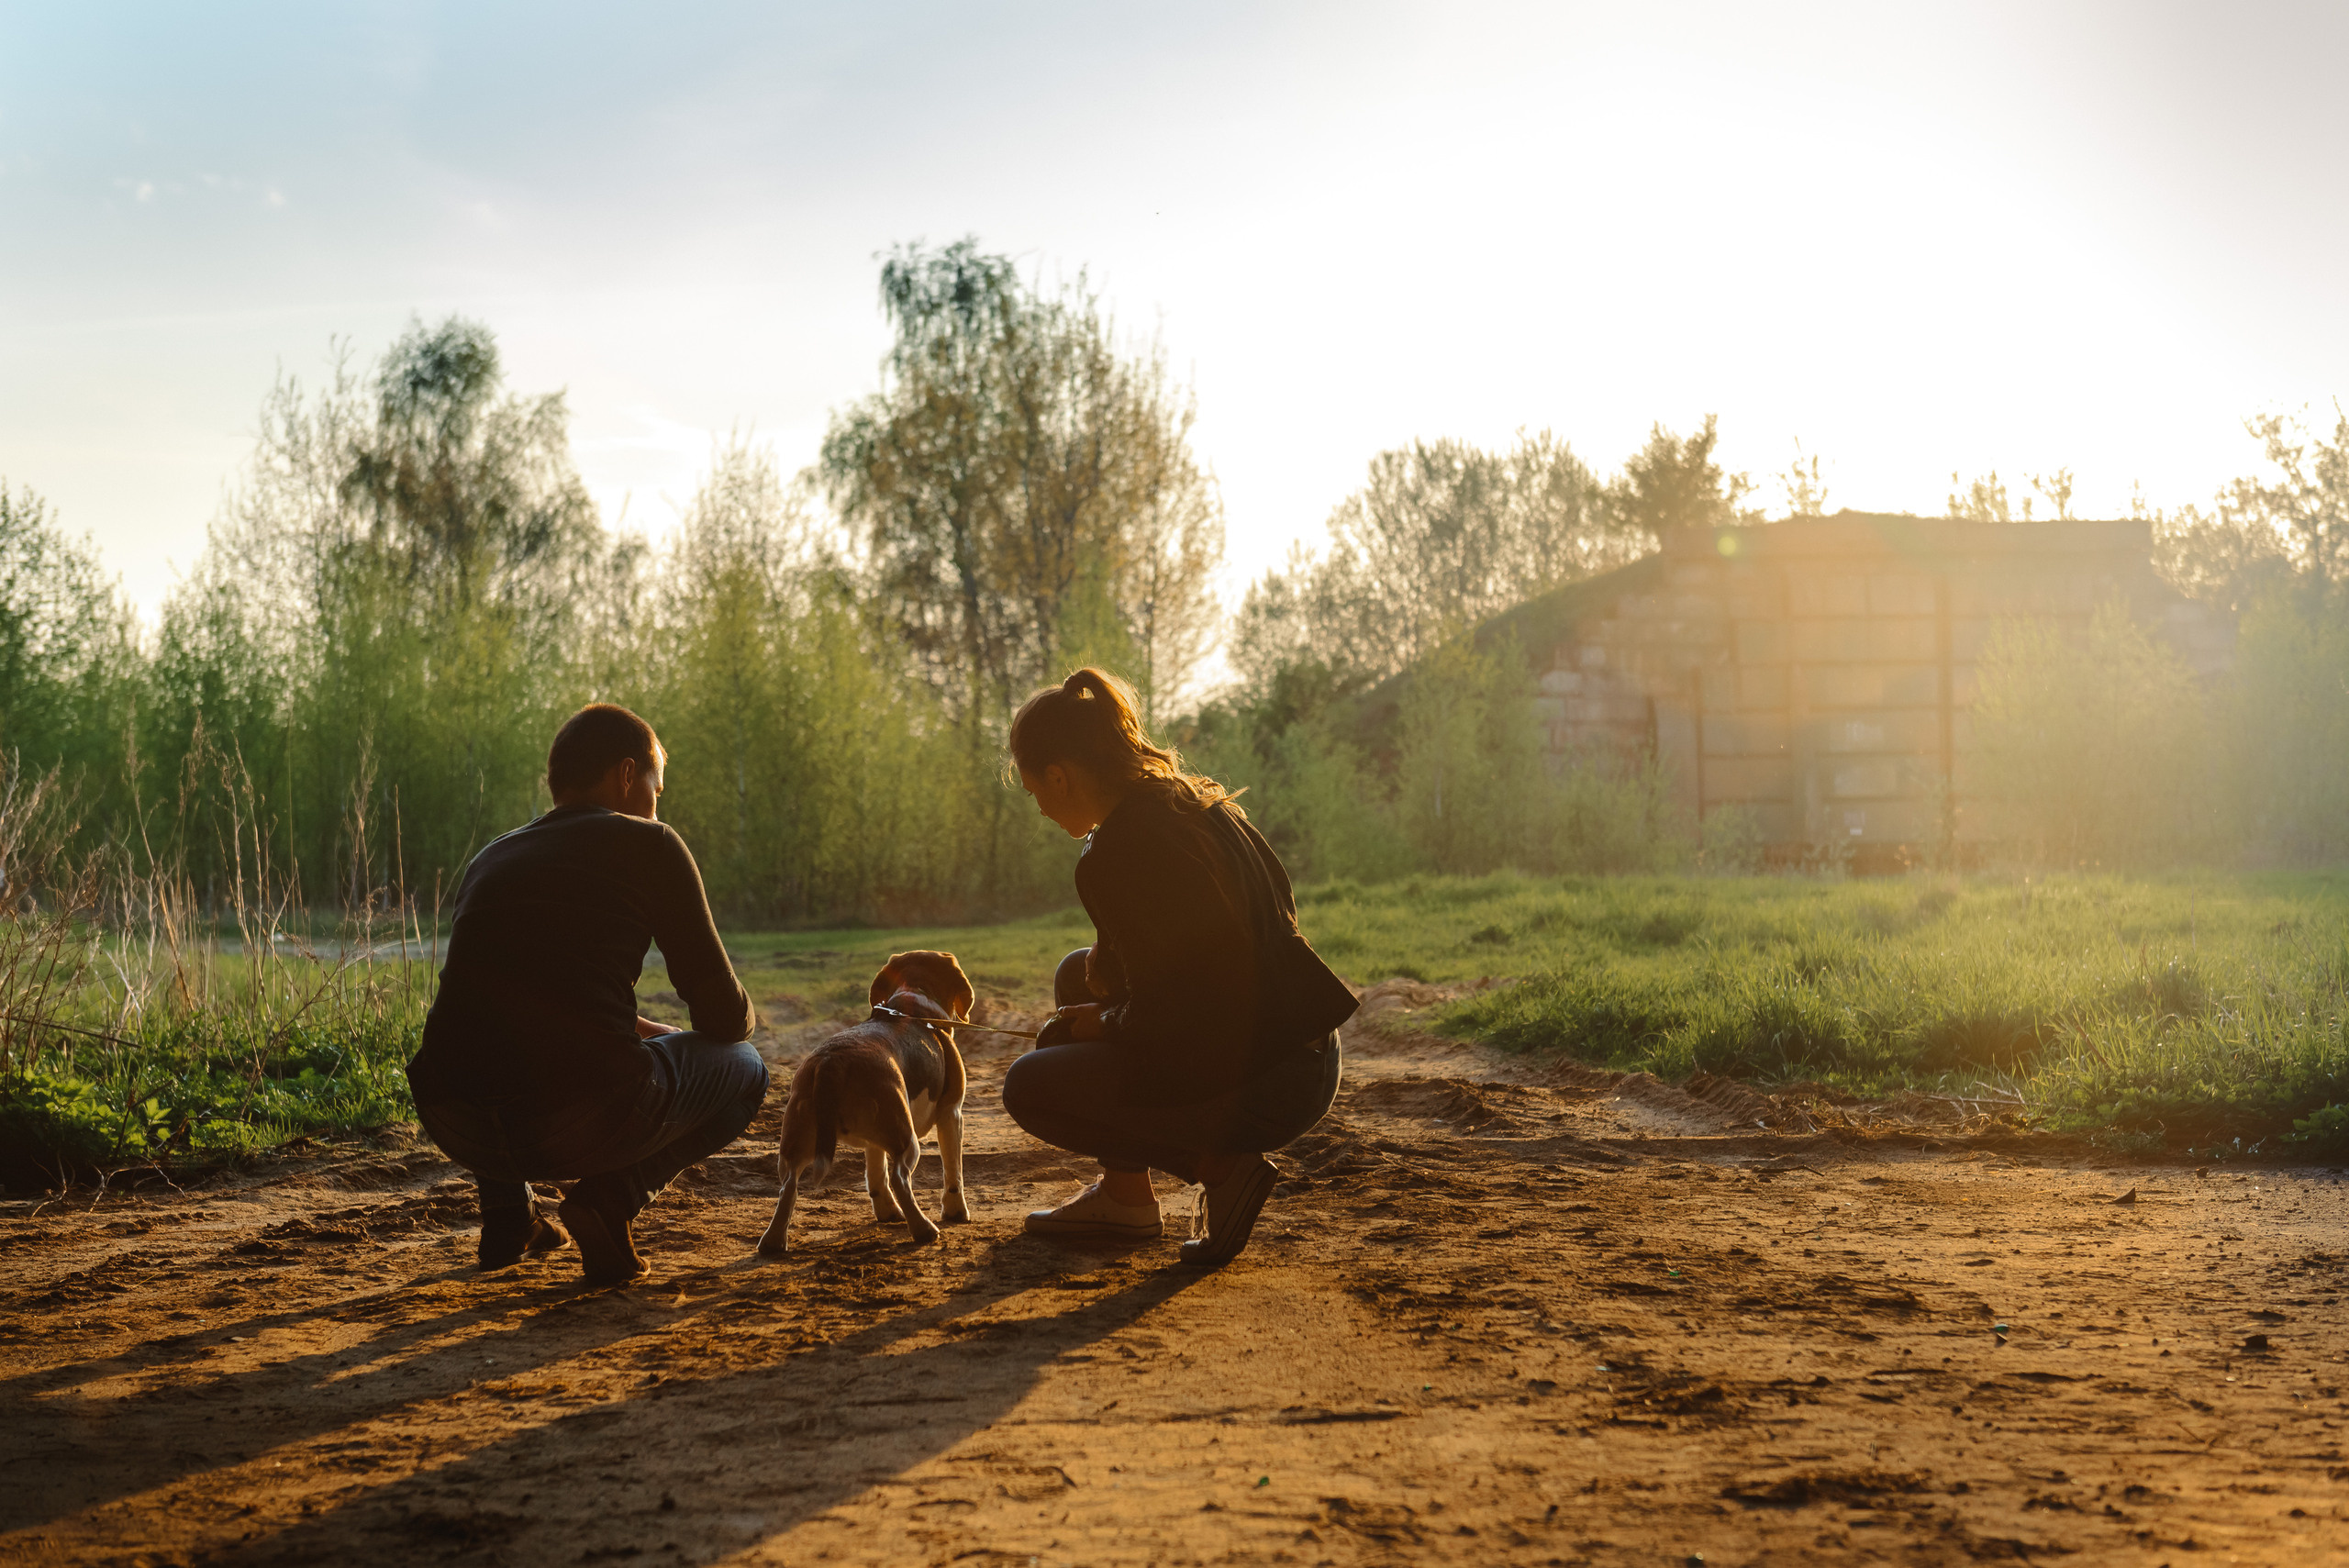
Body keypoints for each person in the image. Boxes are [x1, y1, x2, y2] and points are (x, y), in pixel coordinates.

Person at [999, 668, 1359, 1264]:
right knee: (1076, 974)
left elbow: (1189, 1006)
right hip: (1310, 1050)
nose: (1041, 809)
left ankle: (1221, 1166)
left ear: (1059, 777)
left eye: (1037, 792)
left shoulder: (1117, 852)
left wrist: (1103, 1024)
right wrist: (1111, 967)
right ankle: (1126, 1198)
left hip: (1268, 1082)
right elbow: (1262, 924)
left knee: (1030, 1085)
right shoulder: (1196, 799)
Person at [405, 705, 765, 1286]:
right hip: (577, 1120)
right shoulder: (650, 844)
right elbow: (722, 1015)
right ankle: (609, 1201)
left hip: (456, 1120)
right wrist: (738, 1019)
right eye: (655, 787)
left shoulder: (492, 857)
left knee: (491, 1040)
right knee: (746, 1069)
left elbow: (517, 997)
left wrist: (647, 1030)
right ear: (627, 775)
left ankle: (508, 1217)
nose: (656, 804)